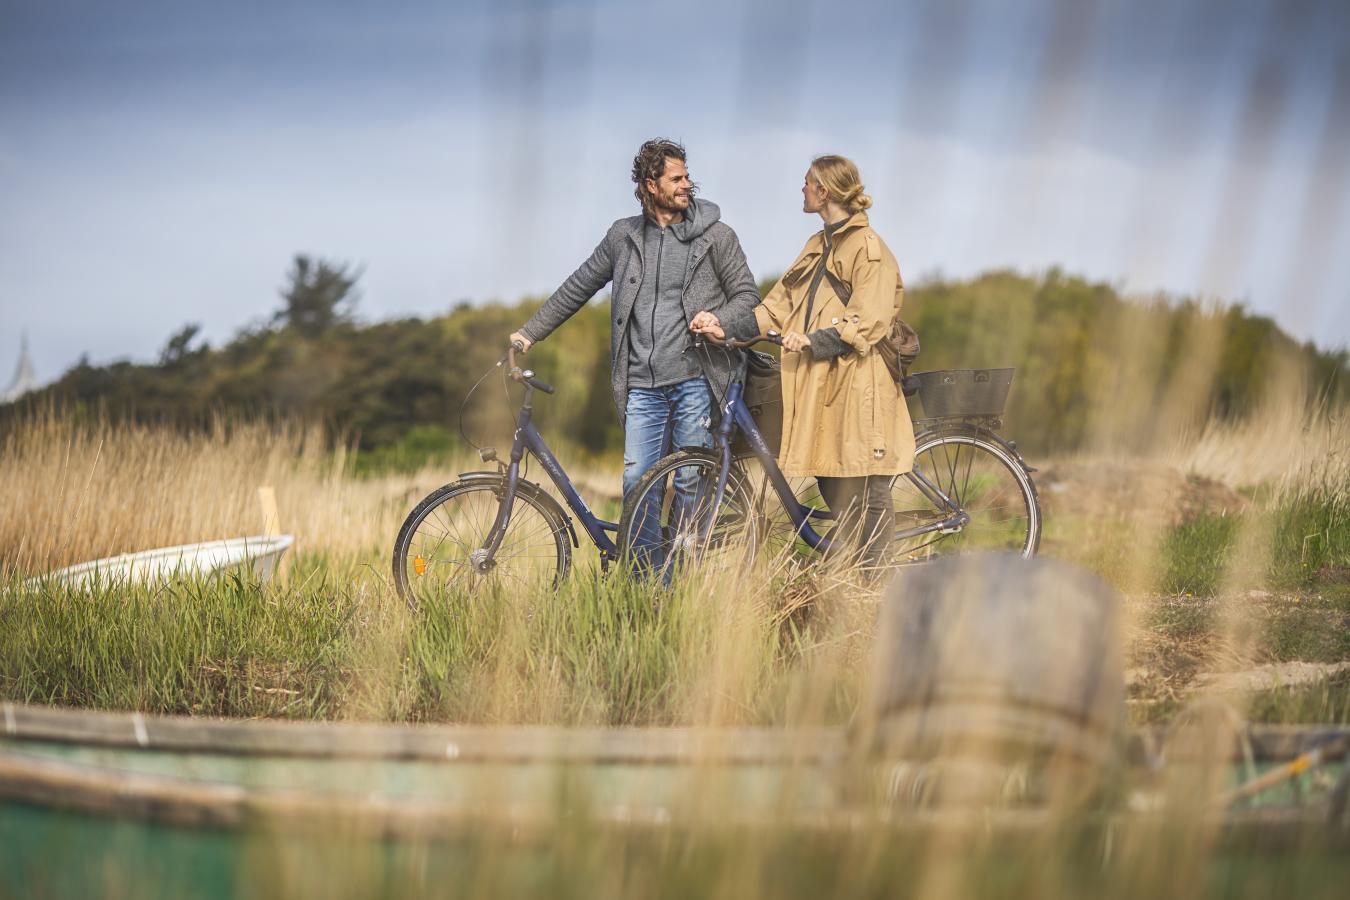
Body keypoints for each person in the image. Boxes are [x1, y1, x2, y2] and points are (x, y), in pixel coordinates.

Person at [508, 139, 761, 530]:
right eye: (676, 178)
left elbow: (747, 295)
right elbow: (578, 286)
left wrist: (719, 317)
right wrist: (529, 333)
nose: (686, 185)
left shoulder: (717, 236)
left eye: (687, 177)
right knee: (638, 484)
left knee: (690, 481)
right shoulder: (622, 237)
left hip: (697, 378)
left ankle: (684, 577)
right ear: (650, 185)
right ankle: (645, 580)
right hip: (642, 385)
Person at [690, 154, 914, 572]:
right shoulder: (818, 245)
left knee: (869, 486)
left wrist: (811, 339)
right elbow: (775, 307)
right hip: (823, 387)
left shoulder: (868, 250)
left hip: (860, 384)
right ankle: (857, 571)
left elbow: (867, 322)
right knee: (832, 475)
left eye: (807, 183)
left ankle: (878, 587)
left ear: (824, 191)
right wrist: (724, 326)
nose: (802, 189)